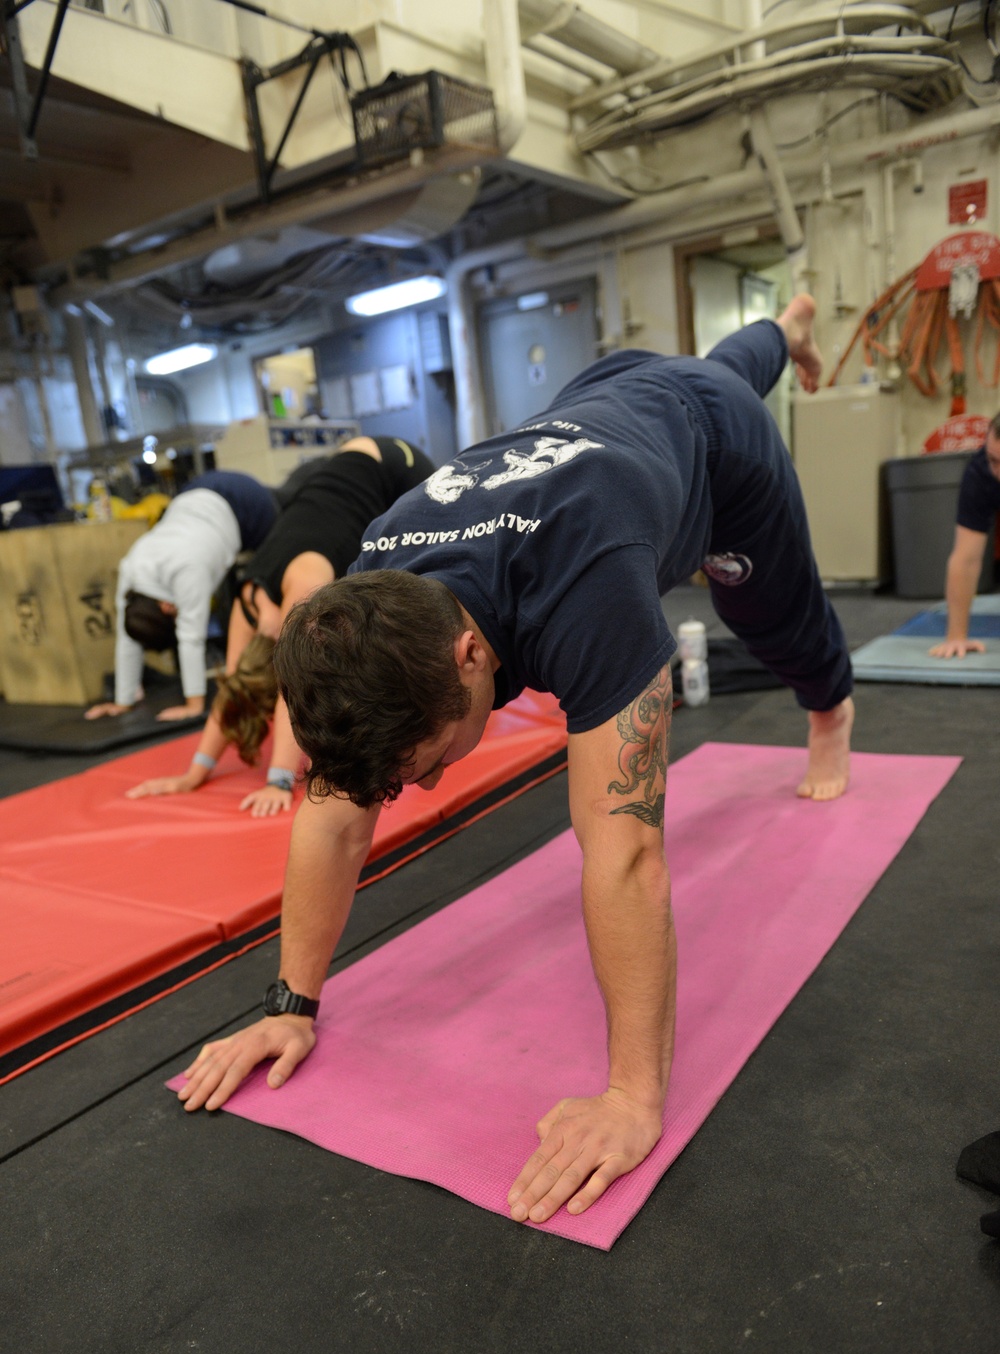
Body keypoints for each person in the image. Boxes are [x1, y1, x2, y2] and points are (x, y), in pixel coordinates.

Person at [177, 295, 855, 1224]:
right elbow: (332, 818)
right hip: (604, 394)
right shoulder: (377, 597)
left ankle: (833, 708)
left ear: (469, 656)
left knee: (769, 616)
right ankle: (787, 329)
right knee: (705, 364)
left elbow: (625, 854)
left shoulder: (589, 593)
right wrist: (292, 1001)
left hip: (715, 447)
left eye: (424, 763)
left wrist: (630, 1097)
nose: (421, 787)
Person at [125, 436, 435, 816]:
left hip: (395, 466)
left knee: (428, 587)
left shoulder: (300, 595)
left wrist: (279, 780)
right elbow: (232, 690)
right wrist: (194, 773)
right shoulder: (246, 605)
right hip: (343, 463)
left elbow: (295, 697)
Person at [86, 470, 277, 724]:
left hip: (247, 503)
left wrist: (193, 705)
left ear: (167, 608)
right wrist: (123, 701)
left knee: (276, 575)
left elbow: (190, 637)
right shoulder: (131, 567)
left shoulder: (188, 571)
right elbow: (127, 637)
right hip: (196, 489)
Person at [928, 417, 999, 660]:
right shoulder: (982, 473)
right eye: (994, 460)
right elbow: (966, 559)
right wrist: (957, 636)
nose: (998, 473)